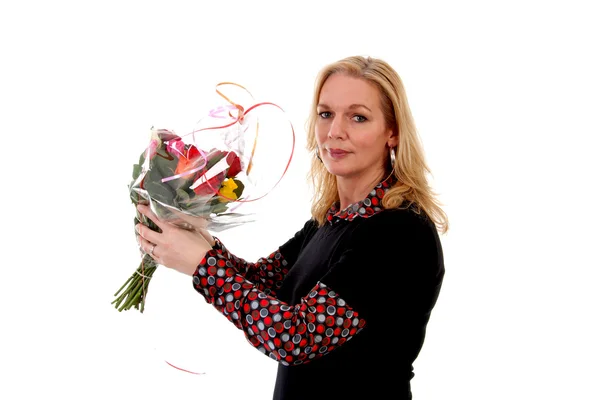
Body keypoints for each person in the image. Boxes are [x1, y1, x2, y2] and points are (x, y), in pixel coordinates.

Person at [135, 55, 448, 399]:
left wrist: (202, 264)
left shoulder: (399, 232)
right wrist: (198, 240)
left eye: (358, 117)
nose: (334, 131)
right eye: (326, 114)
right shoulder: (331, 220)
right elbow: (267, 285)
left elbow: (296, 336)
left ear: (393, 133)